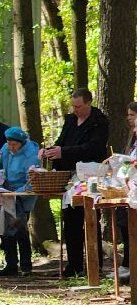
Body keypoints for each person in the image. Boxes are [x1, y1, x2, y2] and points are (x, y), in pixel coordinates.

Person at [42, 88, 110, 278]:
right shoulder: (71, 120)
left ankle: (94, 265)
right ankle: (74, 264)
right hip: (70, 176)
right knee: (70, 220)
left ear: (88, 103)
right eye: (73, 106)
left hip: (90, 175)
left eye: (79, 106)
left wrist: (64, 152)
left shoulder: (99, 122)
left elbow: (93, 148)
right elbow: (61, 142)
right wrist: (50, 151)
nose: (75, 110)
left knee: (90, 219)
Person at [0, 126, 40, 276]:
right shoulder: (6, 149)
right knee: (6, 231)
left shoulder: (31, 155)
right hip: (6, 194)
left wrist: (16, 192)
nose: (11, 147)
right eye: (9, 144)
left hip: (22, 196)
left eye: (14, 145)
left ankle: (26, 266)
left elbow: (32, 182)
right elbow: (1, 168)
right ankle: (11, 264)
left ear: (22, 143)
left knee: (19, 230)